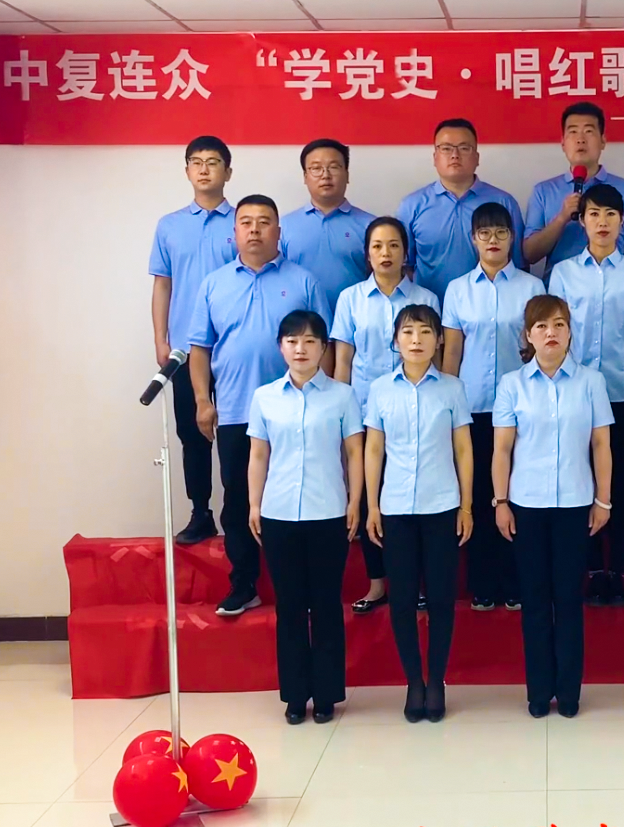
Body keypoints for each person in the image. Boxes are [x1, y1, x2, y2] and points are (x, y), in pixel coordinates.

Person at [189, 195, 334, 617]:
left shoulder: (303, 281)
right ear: (234, 232)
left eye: (264, 222)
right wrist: (202, 400)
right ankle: (244, 583)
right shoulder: (213, 284)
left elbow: (325, 346)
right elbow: (200, 349)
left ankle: (304, 590)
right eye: (246, 222)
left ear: (279, 231)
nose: (255, 229)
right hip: (236, 410)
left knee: (301, 495)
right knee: (238, 500)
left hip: (297, 410)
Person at [491, 295, 614, 719]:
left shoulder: (591, 382)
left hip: (576, 503)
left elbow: (601, 444)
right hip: (526, 504)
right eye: (542, 326)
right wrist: (500, 501)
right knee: (535, 600)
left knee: (569, 599)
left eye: (559, 325)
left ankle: (570, 692)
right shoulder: (512, 385)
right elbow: (502, 449)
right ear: (528, 335)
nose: (551, 333)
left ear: (570, 333)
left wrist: (603, 499)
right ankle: (539, 692)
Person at [247, 310, 363, 726]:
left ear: (323, 348)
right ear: (281, 347)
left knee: (327, 605)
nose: (301, 349)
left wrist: (355, 501)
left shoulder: (342, 396)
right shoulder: (264, 398)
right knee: (290, 607)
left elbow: (354, 452)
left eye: (310, 341)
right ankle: (296, 696)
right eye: (293, 341)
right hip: (279, 514)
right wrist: (254, 504)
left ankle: (327, 695)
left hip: (328, 512)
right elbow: (258, 454)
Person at [548, 183, 624, 607]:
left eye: (611, 214)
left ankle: (620, 570)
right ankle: (593, 569)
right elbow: (554, 332)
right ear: (582, 221)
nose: (602, 222)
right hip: (576, 392)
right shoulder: (563, 273)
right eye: (594, 214)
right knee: (584, 479)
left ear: (622, 222)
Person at [364, 304, 474, 724]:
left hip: (442, 505)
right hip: (395, 508)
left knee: (442, 599)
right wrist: (372, 505)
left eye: (425, 332)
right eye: (408, 332)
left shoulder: (452, 389)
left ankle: (437, 680)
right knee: (403, 600)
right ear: (395, 341)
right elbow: (374, 449)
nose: (416, 340)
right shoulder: (380, 390)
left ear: (438, 340)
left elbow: (463, 449)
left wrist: (466, 505)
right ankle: (413, 681)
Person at [331, 217, 440, 614]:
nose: (386, 253)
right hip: (363, 410)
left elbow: (436, 357)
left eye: (393, 245)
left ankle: (419, 584)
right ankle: (377, 583)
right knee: (369, 494)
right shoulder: (350, 299)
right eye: (377, 246)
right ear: (367, 254)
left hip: (416, 410)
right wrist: (339, 413)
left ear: (406, 252)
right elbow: (343, 360)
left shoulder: (426, 299)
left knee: (416, 498)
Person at [441, 202, 545, 611]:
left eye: (501, 232)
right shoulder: (457, 290)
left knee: (517, 495)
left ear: (512, 238)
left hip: (522, 407)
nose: (493, 240)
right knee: (479, 493)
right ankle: (483, 583)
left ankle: (516, 582)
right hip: (473, 405)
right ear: (474, 239)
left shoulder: (531, 288)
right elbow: (452, 351)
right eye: (485, 233)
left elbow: (540, 349)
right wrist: (447, 403)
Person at [149, 135, 237, 545]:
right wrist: (160, 339)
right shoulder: (169, 226)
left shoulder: (244, 223)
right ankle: (200, 512)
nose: (204, 169)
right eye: (196, 162)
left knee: (239, 435)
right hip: (185, 349)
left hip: (233, 348)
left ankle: (242, 513)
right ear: (187, 171)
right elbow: (163, 285)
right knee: (192, 433)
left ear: (228, 172)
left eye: (213, 162)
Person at [398, 118, 527, 303]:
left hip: (490, 309)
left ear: (477, 157)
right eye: (446, 148)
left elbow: (519, 266)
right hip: (429, 311)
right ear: (435, 157)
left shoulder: (503, 203)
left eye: (464, 148)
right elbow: (403, 267)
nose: (455, 155)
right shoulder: (412, 206)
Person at [524, 102, 624, 273]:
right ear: (563, 143)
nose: (581, 139)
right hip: (560, 288)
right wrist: (562, 218)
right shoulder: (543, 192)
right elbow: (530, 254)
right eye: (573, 132)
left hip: (615, 287)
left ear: (603, 141)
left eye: (589, 131)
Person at [281, 138, 376, 307]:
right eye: (316, 168)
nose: (325, 175)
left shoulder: (371, 226)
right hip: (301, 320)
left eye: (334, 167)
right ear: (305, 177)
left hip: (355, 318)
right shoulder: (284, 227)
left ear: (347, 175)